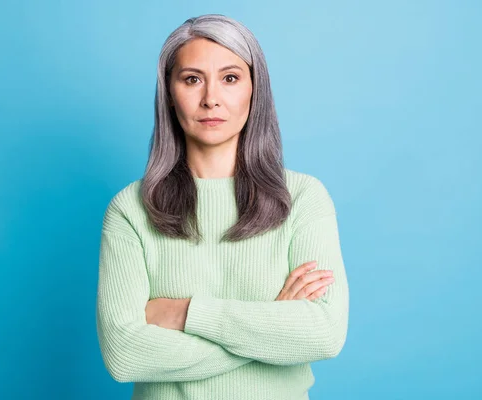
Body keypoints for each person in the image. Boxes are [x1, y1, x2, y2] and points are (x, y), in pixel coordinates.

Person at [95, 14, 349, 400]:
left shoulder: (303, 198)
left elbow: (325, 334)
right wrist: (271, 328)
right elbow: (124, 355)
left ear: (254, 89)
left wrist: (187, 314)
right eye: (192, 79)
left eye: (230, 78)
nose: (211, 97)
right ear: (169, 92)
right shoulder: (131, 209)